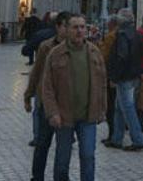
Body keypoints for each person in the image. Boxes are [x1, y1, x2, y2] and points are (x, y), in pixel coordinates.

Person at [41, 14, 107, 181]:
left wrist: (102, 109)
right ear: (67, 30)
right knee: (62, 159)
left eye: (82, 27)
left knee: (88, 156)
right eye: (75, 27)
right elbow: (47, 87)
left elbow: (102, 84)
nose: (79, 31)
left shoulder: (94, 52)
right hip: (64, 117)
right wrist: (52, 112)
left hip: (88, 116)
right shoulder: (56, 53)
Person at [24, 11, 70, 181]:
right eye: (66, 26)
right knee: (42, 144)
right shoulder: (46, 46)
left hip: (67, 106)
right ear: (58, 27)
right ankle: (37, 177)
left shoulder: (77, 47)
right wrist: (28, 95)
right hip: (46, 103)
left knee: (63, 147)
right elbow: (36, 73)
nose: (69, 30)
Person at [105, 9, 143, 151]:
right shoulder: (136, 34)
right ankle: (117, 138)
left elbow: (121, 56)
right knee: (119, 107)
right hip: (134, 75)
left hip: (124, 76)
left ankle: (138, 139)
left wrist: (114, 76)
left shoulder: (122, 35)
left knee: (127, 108)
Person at [98, 15, 119, 142]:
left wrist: (100, 45)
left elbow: (103, 56)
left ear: (112, 24)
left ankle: (113, 135)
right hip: (120, 76)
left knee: (110, 106)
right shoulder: (121, 35)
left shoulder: (111, 36)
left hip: (110, 75)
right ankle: (116, 134)